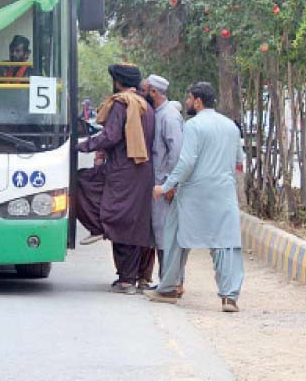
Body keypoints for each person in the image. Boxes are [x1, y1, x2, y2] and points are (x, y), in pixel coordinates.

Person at [144, 82, 244, 313]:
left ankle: (168, 288)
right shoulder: (230, 126)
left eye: (189, 98)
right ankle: (229, 297)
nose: (187, 103)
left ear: (198, 101)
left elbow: (186, 162)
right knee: (226, 244)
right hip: (224, 193)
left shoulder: (194, 126)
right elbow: (239, 160)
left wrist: (165, 186)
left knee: (175, 235)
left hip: (193, 194)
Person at [76, 63, 155, 294]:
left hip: (123, 172)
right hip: (142, 173)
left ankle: (126, 280)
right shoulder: (145, 106)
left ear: (118, 81)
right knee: (132, 223)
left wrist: (82, 146)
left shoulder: (123, 104)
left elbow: (109, 137)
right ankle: (134, 277)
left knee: (117, 219)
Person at [139, 74, 184, 292]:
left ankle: (171, 284)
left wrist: (169, 184)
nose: (143, 94)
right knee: (159, 234)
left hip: (164, 186)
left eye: (145, 90)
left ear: (153, 92)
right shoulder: (158, 114)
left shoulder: (169, 116)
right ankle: (166, 281)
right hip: (158, 185)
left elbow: (176, 152)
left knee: (166, 235)